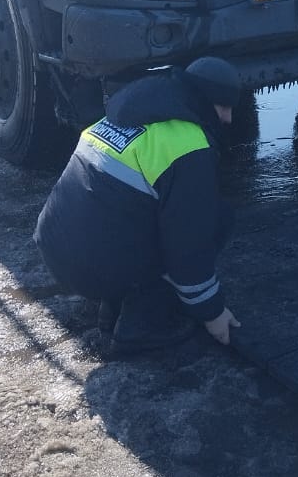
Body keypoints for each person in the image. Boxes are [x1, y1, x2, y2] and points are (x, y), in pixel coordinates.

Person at [34, 57, 243, 355]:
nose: (229, 119)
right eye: (225, 107)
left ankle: (113, 306)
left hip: (55, 249)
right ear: (207, 102)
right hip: (93, 265)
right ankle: (141, 326)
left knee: (129, 211)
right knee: (217, 219)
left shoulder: (126, 112)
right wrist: (212, 313)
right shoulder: (188, 145)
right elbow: (189, 244)